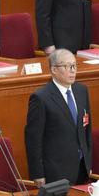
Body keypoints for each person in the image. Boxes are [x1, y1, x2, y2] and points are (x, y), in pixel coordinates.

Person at [24, 48, 92, 186]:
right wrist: (38, 173)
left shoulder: (81, 91)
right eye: (67, 66)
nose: (73, 70)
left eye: (74, 65)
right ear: (54, 70)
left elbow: (86, 129)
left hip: (81, 168)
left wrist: (88, 161)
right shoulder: (41, 98)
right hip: (55, 171)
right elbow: (33, 139)